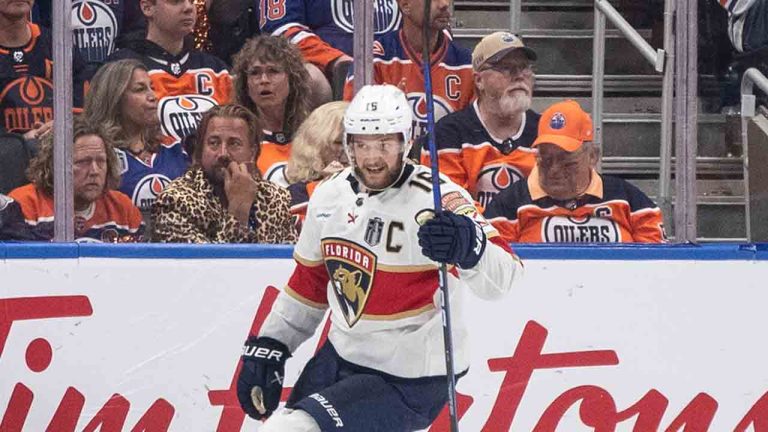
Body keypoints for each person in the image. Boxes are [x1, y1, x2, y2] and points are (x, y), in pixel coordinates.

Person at [235, 85, 522, 431]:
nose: (372, 158)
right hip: (343, 354)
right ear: (348, 145)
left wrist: (468, 245)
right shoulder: (330, 196)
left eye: (384, 144)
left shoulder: (438, 197)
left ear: (405, 141)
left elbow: (507, 277)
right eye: (362, 145)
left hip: (411, 375)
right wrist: (272, 343)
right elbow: (310, 283)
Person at [484, 100, 667, 243]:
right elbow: (495, 268)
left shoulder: (629, 200)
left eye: (567, 162)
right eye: (546, 159)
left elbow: (656, 262)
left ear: (593, 156)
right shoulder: (509, 205)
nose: (554, 169)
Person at [421, 32, 539, 209]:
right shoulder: (447, 133)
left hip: (527, 234)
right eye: (506, 68)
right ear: (479, 80)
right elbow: (451, 204)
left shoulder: (545, 132)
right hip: (472, 234)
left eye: (524, 67)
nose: (519, 75)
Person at [151, 104, 297, 243]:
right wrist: (238, 212)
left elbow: (290, 262)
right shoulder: (175, 201)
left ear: (252, 152)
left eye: (234, 143)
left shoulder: (275, 198)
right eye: (214, 143)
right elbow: (205, 266)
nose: (223, 153)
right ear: (201, 149)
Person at [342, 0, 474, 140]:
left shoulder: (466, 63)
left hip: (449, 159)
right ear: (405, 6)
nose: (444, 4)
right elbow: (355, 131)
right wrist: (385, 113)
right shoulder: (373, 60)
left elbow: (475, 134)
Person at [107, 0, 232, 144]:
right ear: (147, 7)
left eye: (191, 1)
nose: (188, 8)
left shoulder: (217, 69)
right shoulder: (120, 68)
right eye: (175, 1)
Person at [9, 118, 145, 242]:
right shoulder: (23, 205)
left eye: (101, 161)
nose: (95, 171)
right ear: (55, 164)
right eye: (83, 162)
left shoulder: (123, 209)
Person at [84, 59, 190, 216]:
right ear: (115, 98)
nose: (153, 96)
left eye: (151, 88)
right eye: (140, 90)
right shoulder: (99, 156)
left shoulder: (174, 149)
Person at [231, 35, 312, 187]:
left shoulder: (313, 134)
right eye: (255, 73)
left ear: (292, 79)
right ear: (245, 83)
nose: (263, 80)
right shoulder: (239, 141)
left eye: (273, 71)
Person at [256, 0, 400, 81]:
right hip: (328, 72)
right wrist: (335, 60)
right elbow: (281, 30)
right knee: (307, 77)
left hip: (401, 64)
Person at [0, 0, 87, 134]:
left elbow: (85, 114)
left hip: (57, 147)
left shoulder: (59, 45)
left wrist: (62, 126)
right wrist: (18, 143)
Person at [284, 100, 349, 222]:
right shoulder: (298, 194)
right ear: (316, 146)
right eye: (339, 143)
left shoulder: (378, 192)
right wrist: (326, 188)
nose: (348, 150)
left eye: (356, 142)